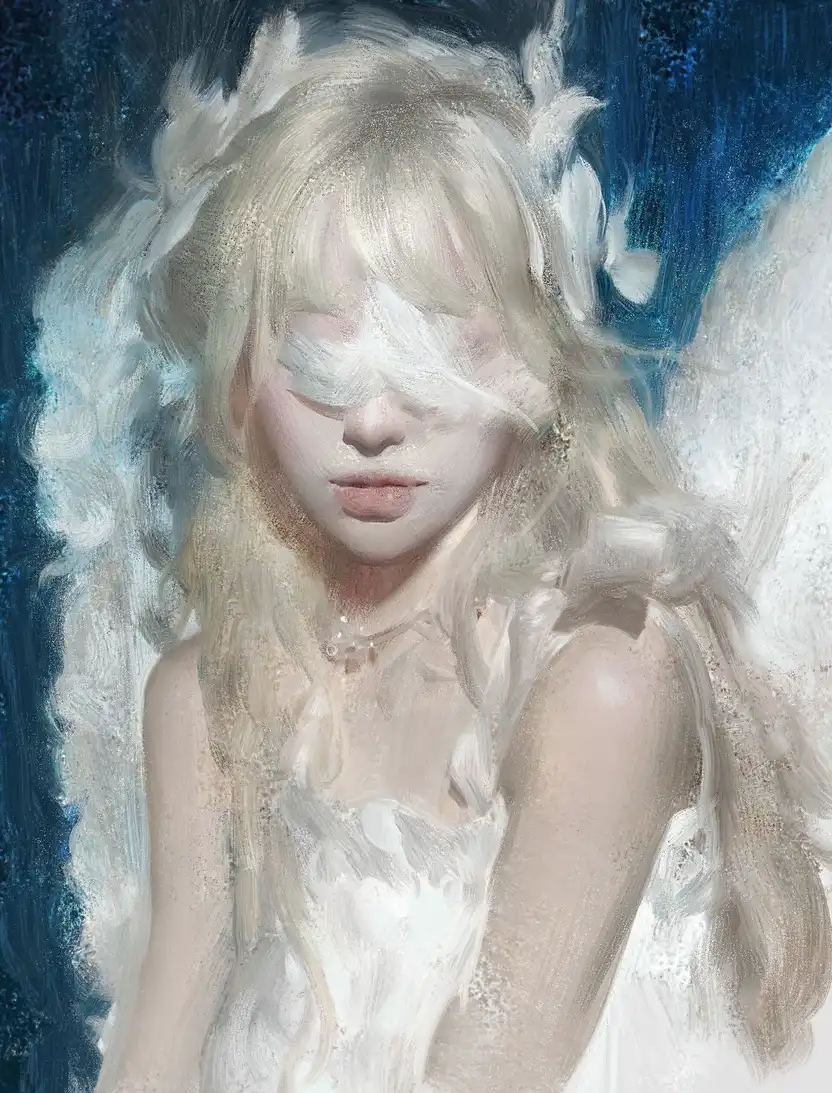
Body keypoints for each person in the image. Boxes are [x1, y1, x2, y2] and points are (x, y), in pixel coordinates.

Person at [31, 5, 832, 1092]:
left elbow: (492, 1070)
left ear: (534, 374)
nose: (371, 423)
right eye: (318, 361)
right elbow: (153, 1055)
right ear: (240, 383)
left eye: (433, 355)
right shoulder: (207, 696)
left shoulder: (603, 676)